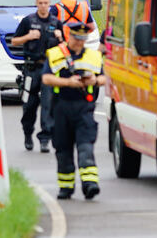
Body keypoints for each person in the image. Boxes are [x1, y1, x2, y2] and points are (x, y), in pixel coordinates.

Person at [42, 22, 105, 200]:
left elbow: (105, 78)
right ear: (70, 36)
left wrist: (94, 80)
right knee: (63, 150)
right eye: (77, 38)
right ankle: (66, 187)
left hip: (84, 108)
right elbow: (46, 78)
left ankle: (90, 184)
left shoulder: (93, 57)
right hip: (61, 107)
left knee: (85, 147)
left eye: (83, 39)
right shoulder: (55, 55)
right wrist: (68, 83)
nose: (79, 42)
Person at [11, 0, 63, 153]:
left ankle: (45, 139)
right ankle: (28, 134)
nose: (43, 6)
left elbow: (64, 48)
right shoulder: (28, 21)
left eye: (46, 3)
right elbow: (14, 40)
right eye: (40, 3)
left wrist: (60, 37)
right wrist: (28, 37)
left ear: (49, 3)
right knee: (29, 105)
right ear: (36, 3)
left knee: (48, 104)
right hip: (31, 68)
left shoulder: (56, 22)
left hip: (49, 70)